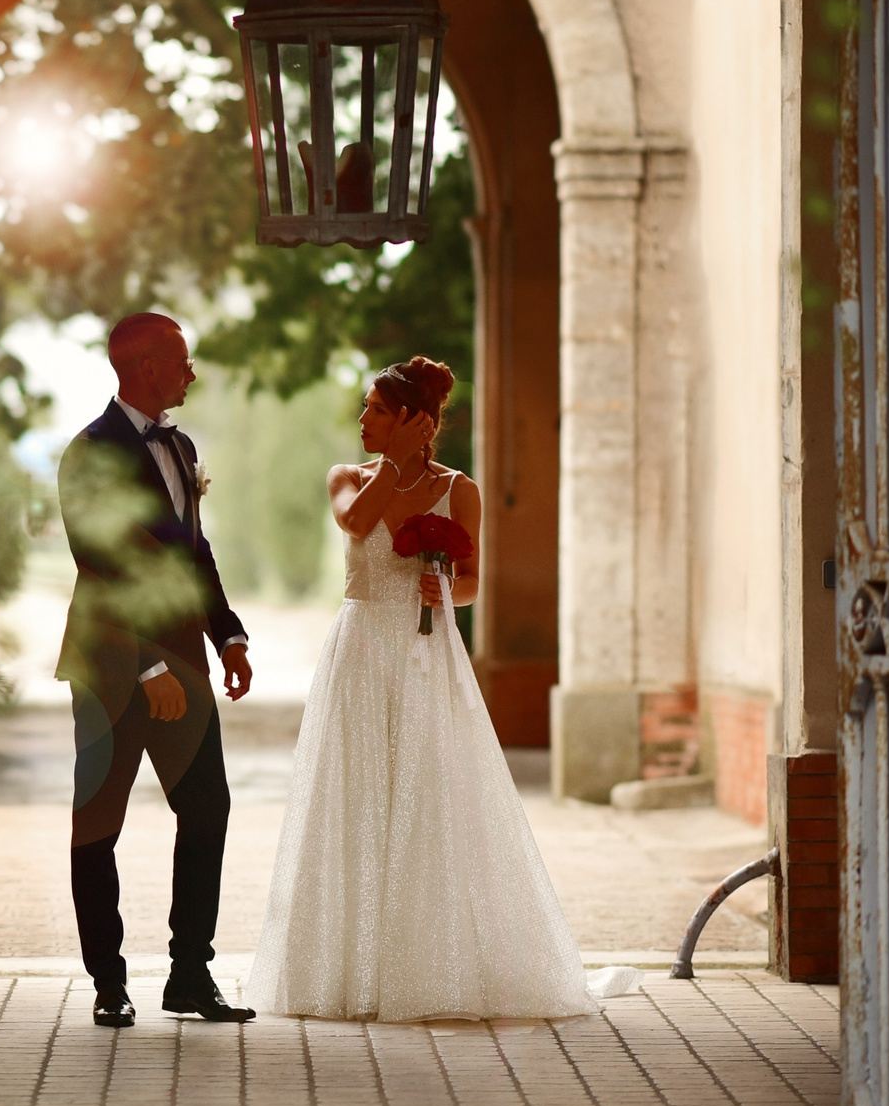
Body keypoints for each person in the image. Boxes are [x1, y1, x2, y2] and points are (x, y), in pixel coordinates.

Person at [246, 356, 593, 1022]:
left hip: (426, 650)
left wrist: (448, 592)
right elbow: (356, 524)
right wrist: (396, 464)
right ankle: (349, 970)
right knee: (355, 794)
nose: (362, 419)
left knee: (427, 793)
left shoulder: (460, 490)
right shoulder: (348, 477)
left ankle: (431, 966)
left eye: (377, 409)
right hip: (359, 650)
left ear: (410, 417)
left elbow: (471, 579)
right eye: (366, 408)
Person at [55, 313, 256, 1028]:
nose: (192, 370)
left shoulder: (182, 446)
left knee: (208, 809)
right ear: (145, 366)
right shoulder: (88, 454)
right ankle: (109, 982)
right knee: (97, 825)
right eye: (182, 358)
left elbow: (194, 554)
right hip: (112, 668)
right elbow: (101, 566)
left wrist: (227, 634)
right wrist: (146, 669)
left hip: (188, 662)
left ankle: (190, 974)